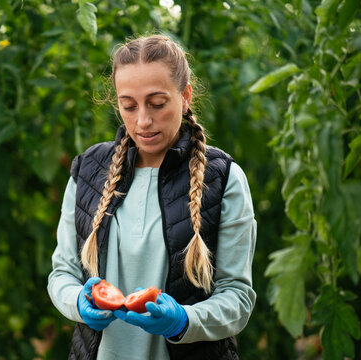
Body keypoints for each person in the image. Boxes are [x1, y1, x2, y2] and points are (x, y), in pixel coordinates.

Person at [47, 34, 257, 360]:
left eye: (157, 104)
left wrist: (184, 320)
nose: (142, 120)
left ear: (185, 97)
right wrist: (77, 301)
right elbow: (62, 274)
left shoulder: (223, 177)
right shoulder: (88, 171)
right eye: (128, 105)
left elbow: (238, 298)